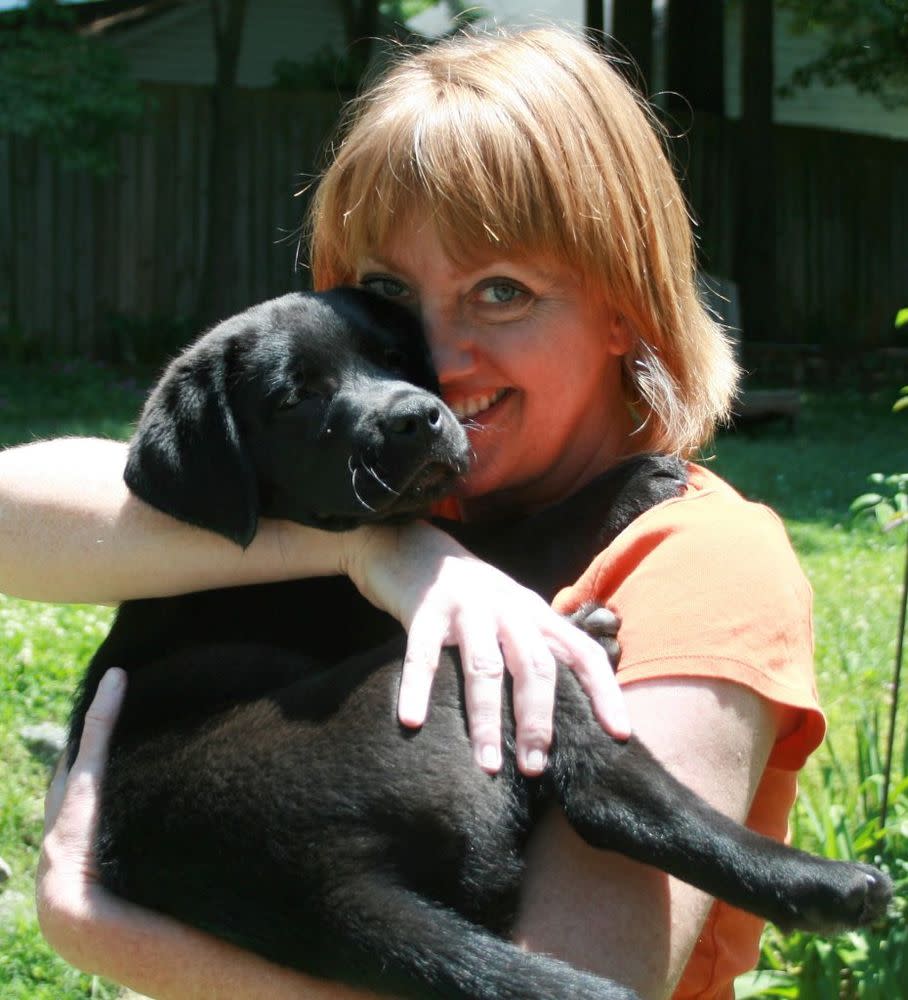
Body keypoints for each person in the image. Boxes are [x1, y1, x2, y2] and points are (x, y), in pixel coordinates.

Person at [2, 25, 824, 1000]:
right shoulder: (369, 489)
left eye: (501, 291)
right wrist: (380, 553)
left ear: (625, 309)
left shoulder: (697, 562)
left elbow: (568, 979)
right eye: (386, 291)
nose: (431, 347)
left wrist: (120, 940)